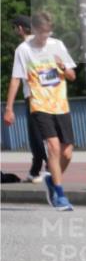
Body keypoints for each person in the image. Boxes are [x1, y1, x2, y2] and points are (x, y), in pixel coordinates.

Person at [3, 11, 76, 211]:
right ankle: (60, 195)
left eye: (48, 32)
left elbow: (72, 76)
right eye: (42, 32)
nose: (45, 36)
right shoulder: (23, 50)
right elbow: (16, 79)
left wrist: (64, 68)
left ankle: (53, 180)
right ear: (34, 30)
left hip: (60, 104)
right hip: (39, 103)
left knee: (67, 153)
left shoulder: (57, 45)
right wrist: (9, 108)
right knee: (52, 147)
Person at [8, 15, 48, 182]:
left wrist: (9, 107)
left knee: (36, 135)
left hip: (33, 95)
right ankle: (35, 170)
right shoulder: (47, 44)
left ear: (20, 28)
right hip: (52, 95)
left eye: (15, 28)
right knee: (44, 134)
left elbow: (16, 78)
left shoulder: (23, 48)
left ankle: (48, 168)